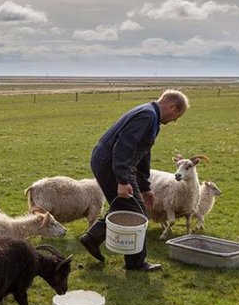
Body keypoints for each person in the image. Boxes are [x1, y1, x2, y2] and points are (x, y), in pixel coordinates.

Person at [78, 89, 189, 271]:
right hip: (112, 164)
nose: (175, 120)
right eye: (178, 115)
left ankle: (93, 238)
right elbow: (124, 146)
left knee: (125, 206)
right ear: (173, 106)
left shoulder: (150, 116)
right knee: (138, 212)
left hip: (112, 163)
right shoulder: (147, 116)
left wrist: (145, 187)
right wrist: (122, 180)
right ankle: (136, 263)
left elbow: (142, 153)